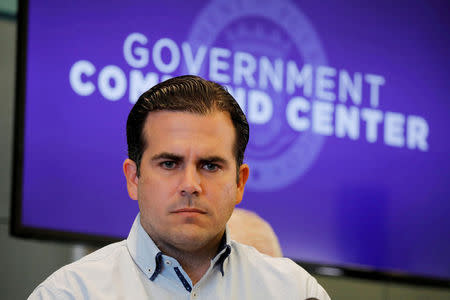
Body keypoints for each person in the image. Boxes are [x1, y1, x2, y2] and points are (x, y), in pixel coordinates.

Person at [28, 75, 330, 299]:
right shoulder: (69, 294)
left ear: (239, 183)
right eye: (169, 164)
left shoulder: (295, 292)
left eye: (210, 165)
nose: (190, 185)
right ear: (134, 178)